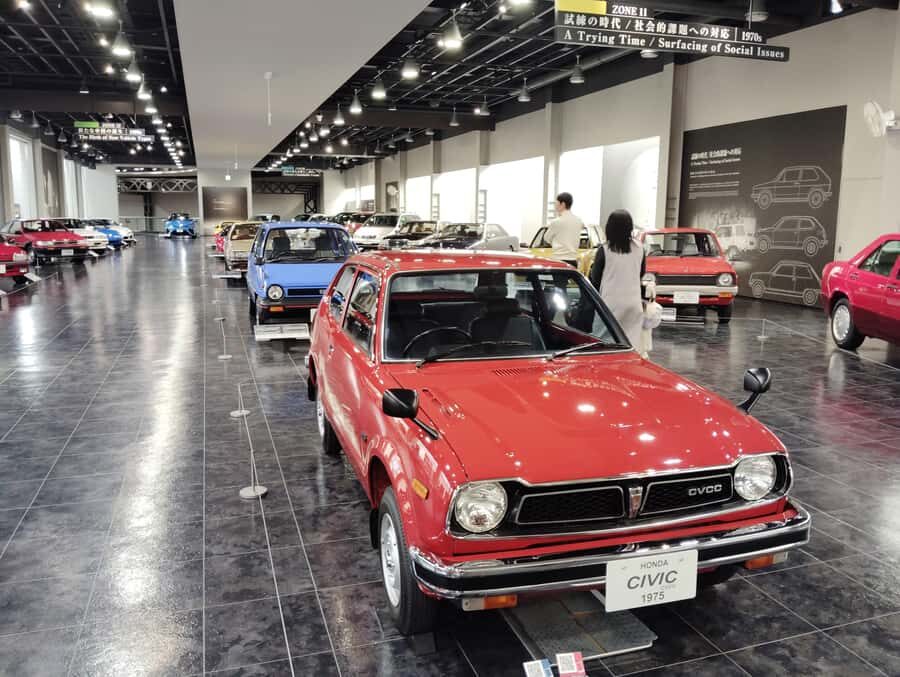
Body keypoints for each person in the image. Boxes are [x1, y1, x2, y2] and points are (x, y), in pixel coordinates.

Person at [589, 209, 646, 347]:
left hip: (610, 305)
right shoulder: (640, 248)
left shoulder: (605, 250)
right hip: (633, 304)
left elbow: (595, 278)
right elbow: (641, 273)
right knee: (631, 344)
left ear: (609, 228)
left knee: (604, 344)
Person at [544, 192, 583, 267]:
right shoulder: (579, 221)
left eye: (556, 203)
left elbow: (546, 238)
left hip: (559, 260)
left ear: (563, 204)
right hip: (573, 260)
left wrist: (555, 242)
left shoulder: (556, 222)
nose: (555, 206)